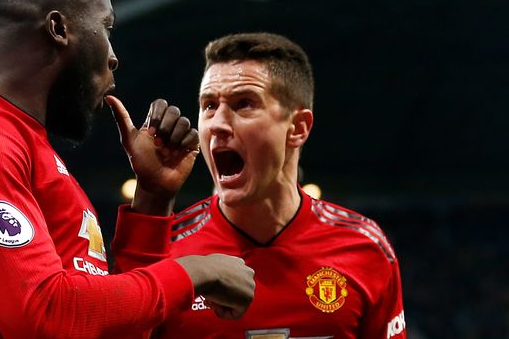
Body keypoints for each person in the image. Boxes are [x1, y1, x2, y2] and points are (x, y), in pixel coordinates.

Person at [0, 0, 254, 339]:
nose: (113, 57)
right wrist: (196, 271)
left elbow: (114, 328)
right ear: (59, 28)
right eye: (106, 29)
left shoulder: (30, 150)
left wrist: (152, 199)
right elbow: (46, 318)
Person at [112, 32, 407, 338]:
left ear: (297, 128)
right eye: (209, 105)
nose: (218, 124)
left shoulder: (365, 249)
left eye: (244, 105)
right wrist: (150, 197)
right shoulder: (162, 248)